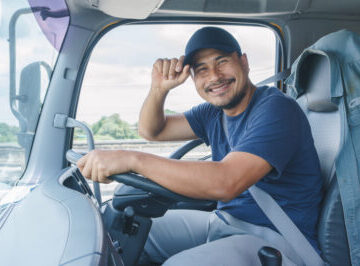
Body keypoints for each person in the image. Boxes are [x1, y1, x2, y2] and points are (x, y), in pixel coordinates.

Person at [77, 27, 323, 265]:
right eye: (201, 69)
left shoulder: (276, 109)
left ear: (244, 62)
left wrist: (133, 160)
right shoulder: (213, 113)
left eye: (222, 61)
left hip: (276, 240)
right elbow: (152, 130)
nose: (214, 76)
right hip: (225, 222)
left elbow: (227, 182)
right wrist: (159, 89)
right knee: (119, 233)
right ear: (193, 78)